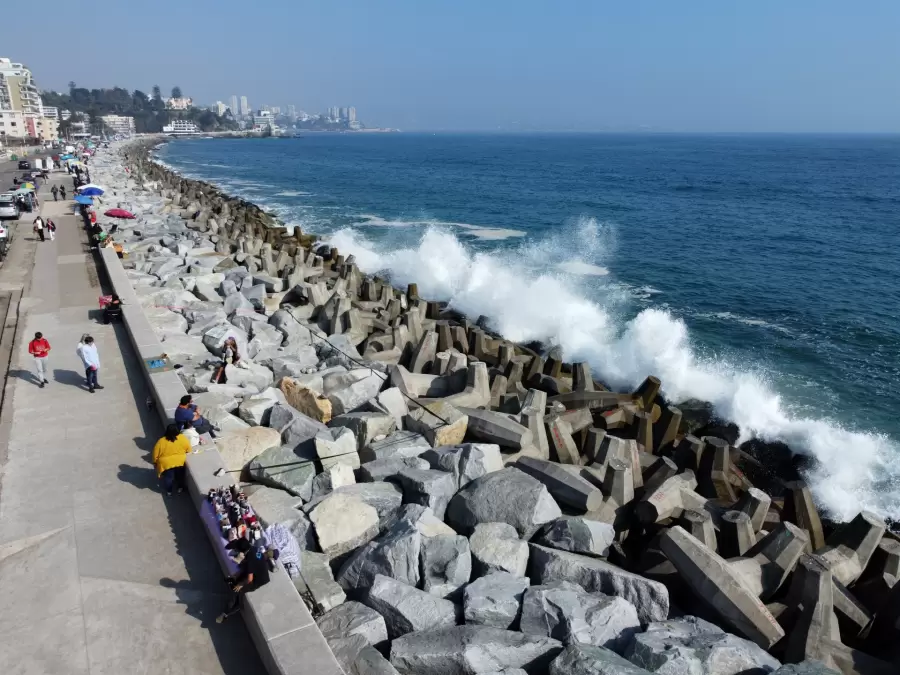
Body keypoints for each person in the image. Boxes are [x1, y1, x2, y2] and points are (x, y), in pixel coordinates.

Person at [216, 546, 278, 623]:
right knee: (237, 579)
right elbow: (246, 567)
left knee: (236, 591)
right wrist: (236, 575)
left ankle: (227, 613)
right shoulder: (255, 551)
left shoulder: (253, 560)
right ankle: (233, 584)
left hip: (256, 581)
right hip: (254, 572)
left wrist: (241, 584)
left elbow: (249, 579)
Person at [152, 423, 191, 496]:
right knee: (180, 476)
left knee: (169, 478)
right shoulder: (182, 438)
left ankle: (169, 491)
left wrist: (155, 462)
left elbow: (155, 453)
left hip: (167, 464)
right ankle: (180, 488)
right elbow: (189, 449)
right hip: (180, 461)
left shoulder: (161, 441)